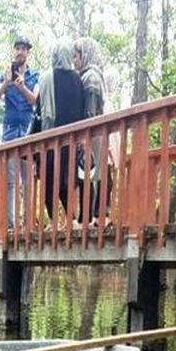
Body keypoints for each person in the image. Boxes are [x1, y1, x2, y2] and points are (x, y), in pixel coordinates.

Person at [30, 41, 85, 221]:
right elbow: (82, 110)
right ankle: (70, 220)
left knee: (48, 184)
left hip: (50, 141)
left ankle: (57, 222)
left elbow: (40, 111)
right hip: (71, 141)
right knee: (66, 184)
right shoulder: (77, 79)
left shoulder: (46, 78)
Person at [0, 37, 38, 228]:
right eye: (17, 48)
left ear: (28, 52)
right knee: (10, 181)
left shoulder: (35, 76)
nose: (20, 52)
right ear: (13, 51)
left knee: (28, 181)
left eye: (23, 49)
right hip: (9, 132)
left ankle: (27, 223)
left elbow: (35, 100)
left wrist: (21, 86)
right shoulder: (4, 75)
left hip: (28, 131)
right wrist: (6, 83)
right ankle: (10, 225)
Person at [74, 36, 108, 223]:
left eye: (77, 56)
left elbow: (91, 110)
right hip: (92, 133)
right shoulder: (87, 75)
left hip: (92, 133)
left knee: (90, 175)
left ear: (85, 55)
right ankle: (88, 217)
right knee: (87, 175)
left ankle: (93, 217)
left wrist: (85, 137)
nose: (74, 60)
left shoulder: (91, 77)